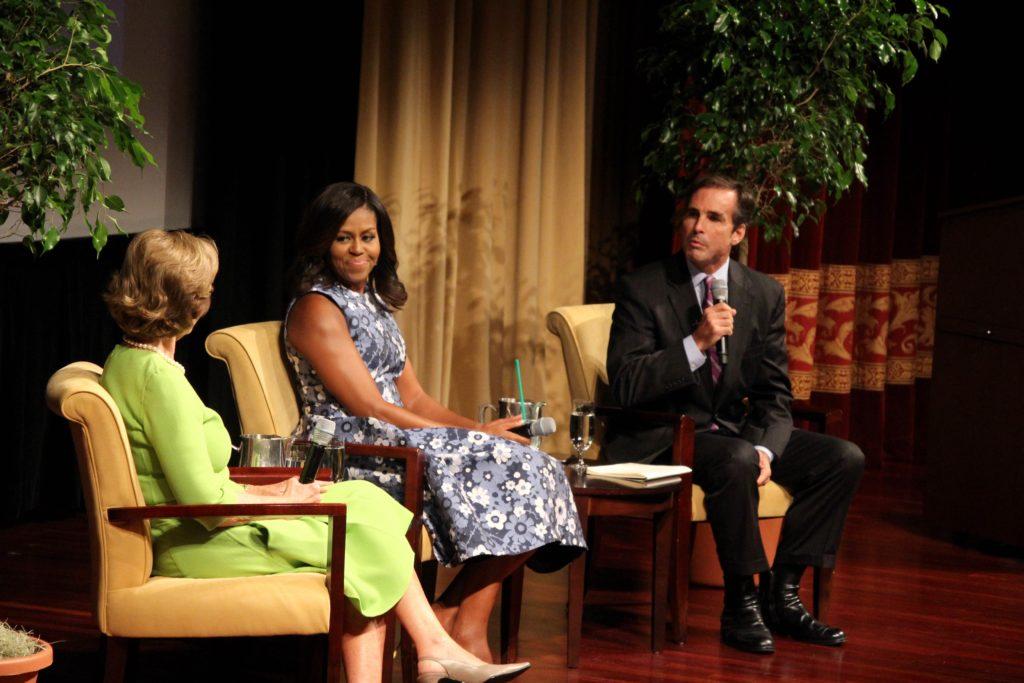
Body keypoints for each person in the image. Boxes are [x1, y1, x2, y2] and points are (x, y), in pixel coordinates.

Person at [100, 229, 530, 683]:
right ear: (193, 301)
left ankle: (433, 649)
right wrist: (285, 498)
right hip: (197, 541)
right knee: (359, 543)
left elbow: (198, 483)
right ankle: (435, 651)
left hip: (209, 520)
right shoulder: (157, 380)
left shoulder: (130, 361)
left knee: (363, 499)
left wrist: (277, 489)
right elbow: (201, 503)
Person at [284, 182, 587, 661]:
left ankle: (457, 619)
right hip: (348, 448)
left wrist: (479, 430)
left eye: (369, 236)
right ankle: (457, 630)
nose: (358, 249)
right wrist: (464, 438)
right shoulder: (317, 307)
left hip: (395, 431)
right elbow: (369, 406)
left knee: (535, 464)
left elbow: (417, 397)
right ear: (323, 241)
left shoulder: (377, 305)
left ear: (382, 242)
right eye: (344, 237)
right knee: (507, 470)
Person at [605, 175, 864, 655]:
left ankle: (782, 595)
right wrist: (695, 344)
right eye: (692, 214)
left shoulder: (762, 294)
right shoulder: (644, 288)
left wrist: (768, 447)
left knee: (841, 458)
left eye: (713, 218)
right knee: (736, 458)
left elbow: (774, 393)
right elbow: (625, 385)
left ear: (738, 234)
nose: (697, 227)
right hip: (669, 435)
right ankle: (741, 601)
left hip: (738, 437)